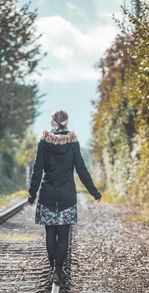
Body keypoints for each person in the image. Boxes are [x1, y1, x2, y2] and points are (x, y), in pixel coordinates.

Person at [28, 110, 101, 284]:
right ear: (66, 122)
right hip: (67, 196)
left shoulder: (44, 142)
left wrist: (32, 194)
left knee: (50, 233)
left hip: (47, 195)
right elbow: (81, 169)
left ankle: (54, 267)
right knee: (63, 234)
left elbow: (37, 170)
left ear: (53, 122)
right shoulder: (73, 142)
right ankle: (57, 270)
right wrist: (93, 191)